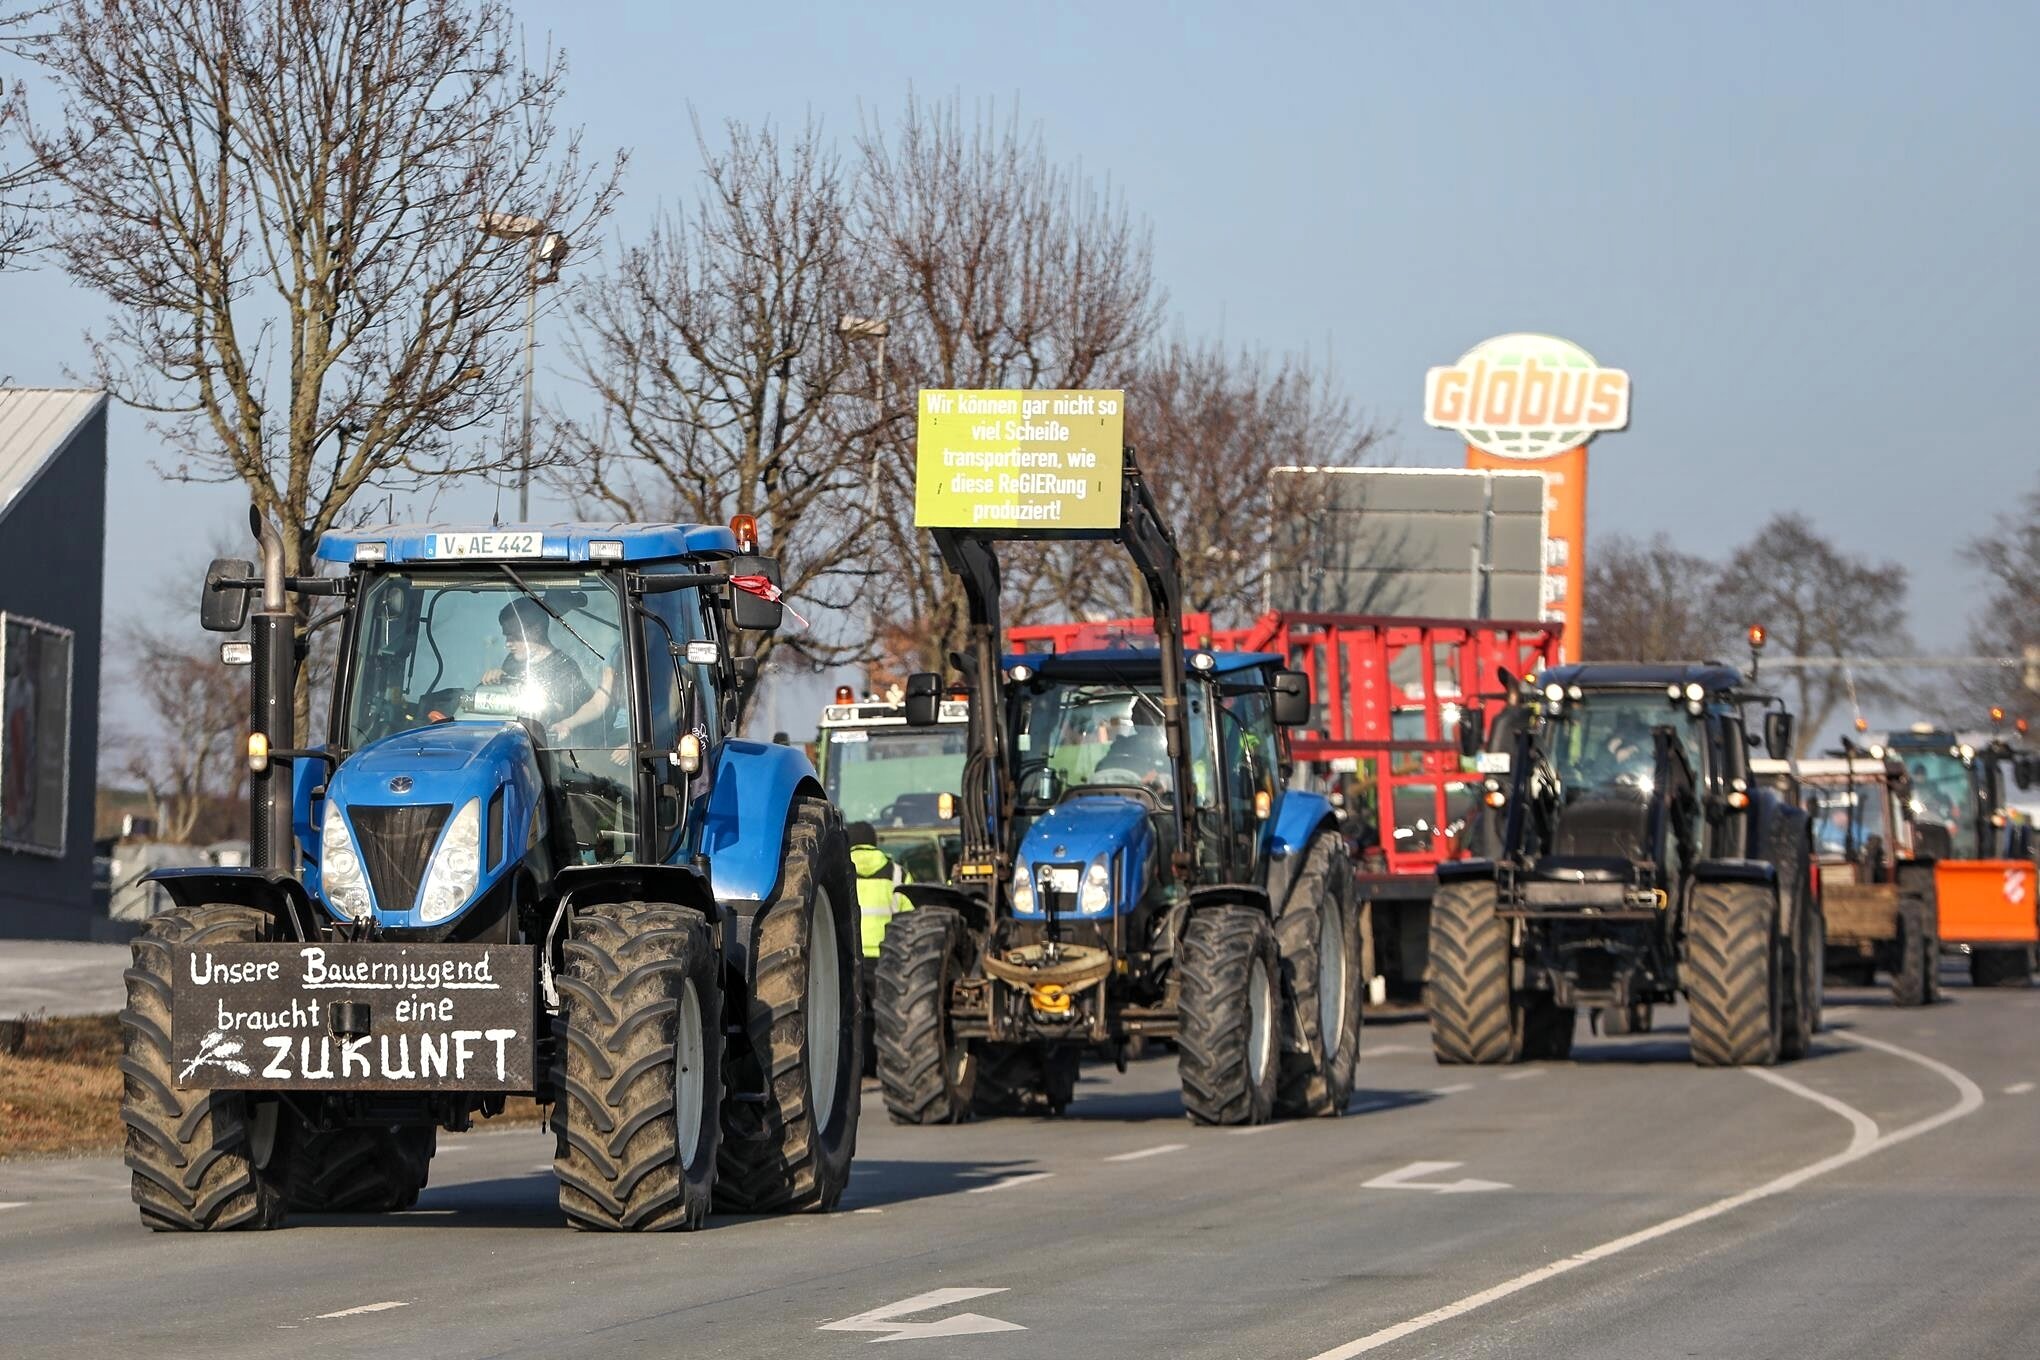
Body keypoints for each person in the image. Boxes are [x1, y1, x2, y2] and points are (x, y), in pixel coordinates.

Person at [848, 821, 913, 1076]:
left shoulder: (841, 869)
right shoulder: (898, 874)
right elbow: (910, 918)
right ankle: (886, 1067)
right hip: (888, 959)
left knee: (853, 1018)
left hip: (852, 957)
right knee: (888, 1017)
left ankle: (859, 1068)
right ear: (875, 842)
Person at [481, 598, 595, 733]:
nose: (507, 643)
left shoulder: (565, 668)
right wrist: (496, 681)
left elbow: (557, 714)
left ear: (536, 631)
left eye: (514, 636)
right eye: (506, 636)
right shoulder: (512, 661)